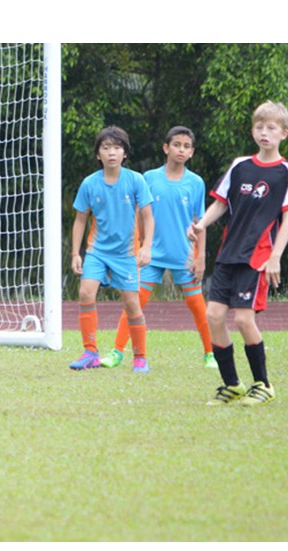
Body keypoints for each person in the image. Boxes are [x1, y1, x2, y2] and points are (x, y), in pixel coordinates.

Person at [188, 101, 288, 406]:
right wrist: (200, 225)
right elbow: (221, 203)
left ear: (283, 133)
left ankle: (263, 384)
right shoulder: (240, 166)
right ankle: (232, 385)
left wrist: (275, 257)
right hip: (228, 253)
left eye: (271, 128)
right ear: (253, 131)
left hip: (257, 255)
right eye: (259, 127)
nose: (264, 133)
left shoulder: (287, 172)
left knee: (242, 319)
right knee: (213, 316)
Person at [101, 126, 217, 370]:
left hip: (184, 254)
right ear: (166, 148)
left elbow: (200, 222)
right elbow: (140, 215)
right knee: (134, 303)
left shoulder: (195, 183)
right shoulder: (149, 179)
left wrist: (201, 257)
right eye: (176, 145)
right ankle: (117, 352)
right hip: (151, 255)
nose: (181, 150)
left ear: (192, 152)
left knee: (198, 307)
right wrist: (138, 246)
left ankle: (210, 354)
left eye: (186, 146)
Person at [70, 126, 154, 373]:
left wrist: (146, 247)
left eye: (117, 148)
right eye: (106, 148)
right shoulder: (89, 183)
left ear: (124, 153)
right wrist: (76, 253)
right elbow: (80, 220)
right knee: (86, 293)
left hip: (127, 254)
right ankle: (90, 352)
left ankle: (140, 358)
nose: (112, 153)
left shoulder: (136, 180)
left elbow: (148, 217)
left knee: (132, 305)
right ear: (98, 154)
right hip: (97, 251)